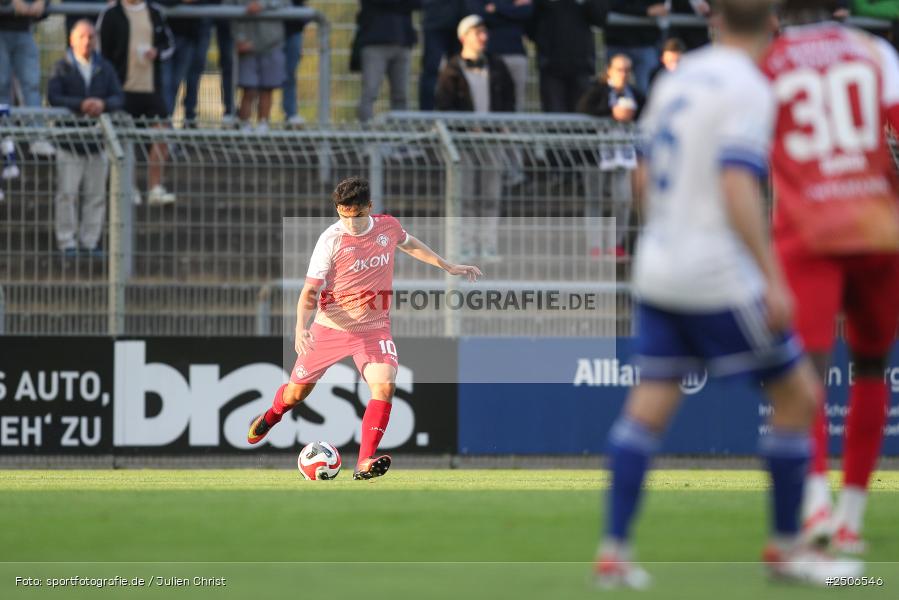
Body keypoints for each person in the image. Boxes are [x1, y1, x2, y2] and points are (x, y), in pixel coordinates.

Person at [595, 0, 861, 588]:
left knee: (650, 403)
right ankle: (788, 547)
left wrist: (669, 229)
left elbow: (640, 174)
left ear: (714, 22)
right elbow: (737, 182)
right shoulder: (750, 87)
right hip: (714, 271)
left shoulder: (679, 76)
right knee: (797, 393)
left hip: (659, 264)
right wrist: (769, 274)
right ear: (772, 26)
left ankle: (614, 551)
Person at [763, 0, 899, 555]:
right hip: (875, 227)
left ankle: (814, 504)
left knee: (804, 374)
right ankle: (851, 519)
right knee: (871, 367)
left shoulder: (767, 63)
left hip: (806, 232)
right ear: (839, 7)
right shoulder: (876, 52)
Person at [246, 176, 481, 479]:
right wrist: (300, 328)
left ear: (369, 207)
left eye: (356, 216)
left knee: (384, 384)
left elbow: (409, 244)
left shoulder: (388, 227)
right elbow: (309, 291)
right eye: (344, 216)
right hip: (330, 326)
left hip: (373, 328)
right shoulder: (331, 239)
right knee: (296, 393)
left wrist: (447, 265)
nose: (351, 223)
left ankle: (364, 462)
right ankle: (271, 415)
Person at [435, 15, 515, 261]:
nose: (483, 37)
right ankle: (466, 244)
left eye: (484, 32)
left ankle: (488, 244)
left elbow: (508, 99)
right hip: (464, 142)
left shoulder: (497, 65)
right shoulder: (451, 69)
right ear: (463, 37)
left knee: (492, 194)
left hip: (491, 140)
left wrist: (502, 125)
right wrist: (465, 128)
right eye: (477, 32)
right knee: (464, 194)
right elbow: (444, 104)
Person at [47, 19, 124, 256]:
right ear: (72, 40)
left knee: (96, 196)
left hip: (96, 142)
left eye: (91, 37)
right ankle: (66, 241)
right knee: (67, 195)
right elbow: (53, 96)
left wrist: (102, 104)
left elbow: (118, 97)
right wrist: (80, 104)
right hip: (69, 141)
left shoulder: (105, 67)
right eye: (82, 37)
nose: (87, 41)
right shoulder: (62, 66)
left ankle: (90, 242)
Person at [97, 0, 177, 205]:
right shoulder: (111, 14)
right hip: (121, 90)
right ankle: (128, 187)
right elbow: (102, 53)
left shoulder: (155, 12)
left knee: (161, 132)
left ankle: (155, 188)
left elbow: (169, 44)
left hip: (150, 88)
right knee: (124, 138)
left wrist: (156, 53)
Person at [577, 54, 643, 259]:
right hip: (596, 155)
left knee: (623, 200)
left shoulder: (635, 94)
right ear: (609, 70)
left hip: (623, 156)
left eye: (627, 70)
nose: (623, 74)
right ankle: (595, 245)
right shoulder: (598, 90)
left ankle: (616, 243)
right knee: (594, 199)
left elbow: (646, 109)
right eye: (619, 69)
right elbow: (583, 108)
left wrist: (631, 114)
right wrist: (611, 112)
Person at [531, 0, 607, 113]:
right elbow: (531, 20)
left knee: (582, 112)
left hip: (581, 65)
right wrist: (543, 43)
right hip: (551, 65)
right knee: (554, 114)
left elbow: (599, 18)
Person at [0, 0, 54, 156]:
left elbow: (44, 7)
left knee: (32, 85)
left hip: (24, 30)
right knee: (2, 85)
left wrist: (42, 3)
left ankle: (37, 136)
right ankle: (5, 136)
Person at [355, 0, 422, 122]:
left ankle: (399, 134)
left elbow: (418, 4)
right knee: (370, 92)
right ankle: (365, 134)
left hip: (402, 41)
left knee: (401, 95)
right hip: (374, 41)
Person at [465, 0, 532, 112]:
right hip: (492, 56)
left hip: (516, 55)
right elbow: (479, 15)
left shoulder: (494, 5)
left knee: (517, 102)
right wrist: (511, 9)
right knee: (490, 99)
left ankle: (514, 128)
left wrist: (496, 8)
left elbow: (526, 11)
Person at [229, 0, 286, 131]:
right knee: (248, 89)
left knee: (267, 89)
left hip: (272, 44)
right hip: (246, 45)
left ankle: (263, 125)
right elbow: (230, 8)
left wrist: (263, 5)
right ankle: (245, 126)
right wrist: (239, 38)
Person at [605, 1, 664, 96]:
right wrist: (645, 11)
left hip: (646, 43)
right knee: (614, 94)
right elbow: (608, 6)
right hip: (616, 43)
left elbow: (662, 7)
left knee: (647, 93)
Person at [419, 0, 466, 111]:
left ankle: (458, 114)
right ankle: (427, 117)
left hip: (462, 20)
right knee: (432, 70)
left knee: (460, 71)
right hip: (435, 20)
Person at [282, 0, 308, 125]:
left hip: (294, 30)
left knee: (290, 74)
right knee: (264, 78)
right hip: (268, 29)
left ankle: (291, 113)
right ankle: (260, 119)